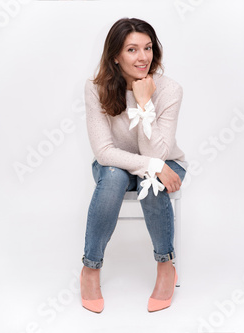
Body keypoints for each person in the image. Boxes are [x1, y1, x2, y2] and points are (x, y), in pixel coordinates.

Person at [80, 17, 187, 313]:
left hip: (166, 162)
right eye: (132, 50)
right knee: (113, 177)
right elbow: (104, 152)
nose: (143, 57)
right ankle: (91, 268)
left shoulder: (170, 90)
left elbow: (158, 151)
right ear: (115, 55)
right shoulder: (95, 89)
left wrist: (144, 104)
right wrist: (152, 164)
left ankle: (166, 265)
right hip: (117, 164)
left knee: (150, 184)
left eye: (148, 48)